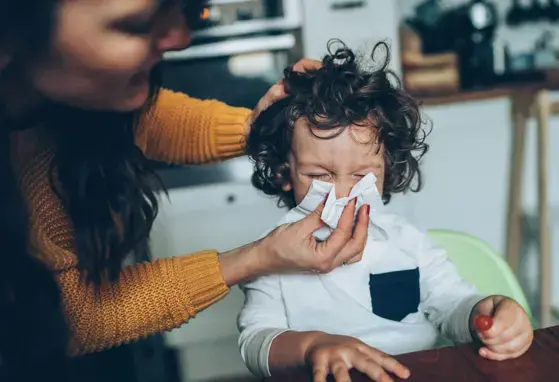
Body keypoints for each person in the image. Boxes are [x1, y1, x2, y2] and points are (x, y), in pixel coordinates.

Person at [0, 0, 369, 369]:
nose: (181, 37)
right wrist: (256, 257)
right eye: (138, 23)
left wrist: (268, 129)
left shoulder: (81, 98)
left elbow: (155, 121)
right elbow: (73, 318)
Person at [238, 41, 534, 382]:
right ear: (282, 172)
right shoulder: (271, 252)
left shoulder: (405, 241)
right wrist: (311, 346)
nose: (344, 194)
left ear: (387, 168)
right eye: (319, 176)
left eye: (362, 176)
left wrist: (486, 313)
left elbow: (452, 303)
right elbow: (254, 341)